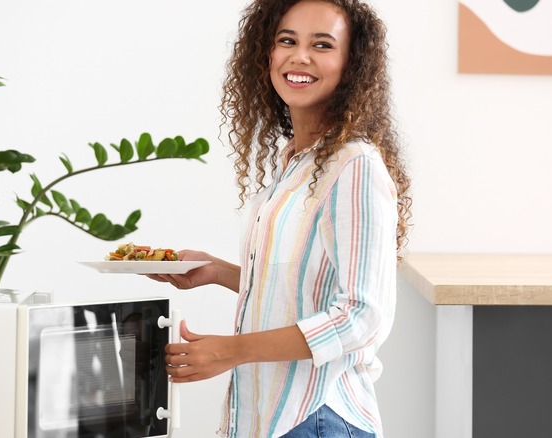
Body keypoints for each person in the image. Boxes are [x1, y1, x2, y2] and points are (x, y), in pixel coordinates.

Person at [146, 0, 411, 436]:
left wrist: (231, 351)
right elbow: (306, 285)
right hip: (268, 420)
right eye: (287, 40)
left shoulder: (354, 165)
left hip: (316, 416)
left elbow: (361, 315)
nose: (299, 56)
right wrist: (216, 270)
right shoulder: (297, 162)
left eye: (322, 44)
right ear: (266, 54)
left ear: (352, 64)